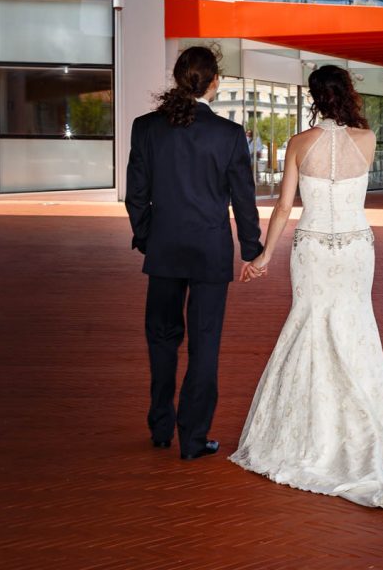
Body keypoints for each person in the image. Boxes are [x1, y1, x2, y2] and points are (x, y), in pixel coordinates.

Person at [230, 65, 383, 509]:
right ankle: (356, 432)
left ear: (313, 97)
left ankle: (308, 437)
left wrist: (263, 256)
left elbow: (282, 209)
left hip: (311, 249)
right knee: (354, 328)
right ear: (347, 94)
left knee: (309, 327)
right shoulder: (367, 141)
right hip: (354, 250)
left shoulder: (298, 144)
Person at [125, 46, 263, 460]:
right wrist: (251, 250)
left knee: (162, 339)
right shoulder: (228, 134)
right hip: (209, 253)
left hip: (165, 251)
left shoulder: (146, 127)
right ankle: (193, 438)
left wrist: (149, 238)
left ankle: (161, 427)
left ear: (178, 77)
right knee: (204, 343)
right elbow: (243, 200)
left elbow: (136, 196)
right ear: (214, 83)